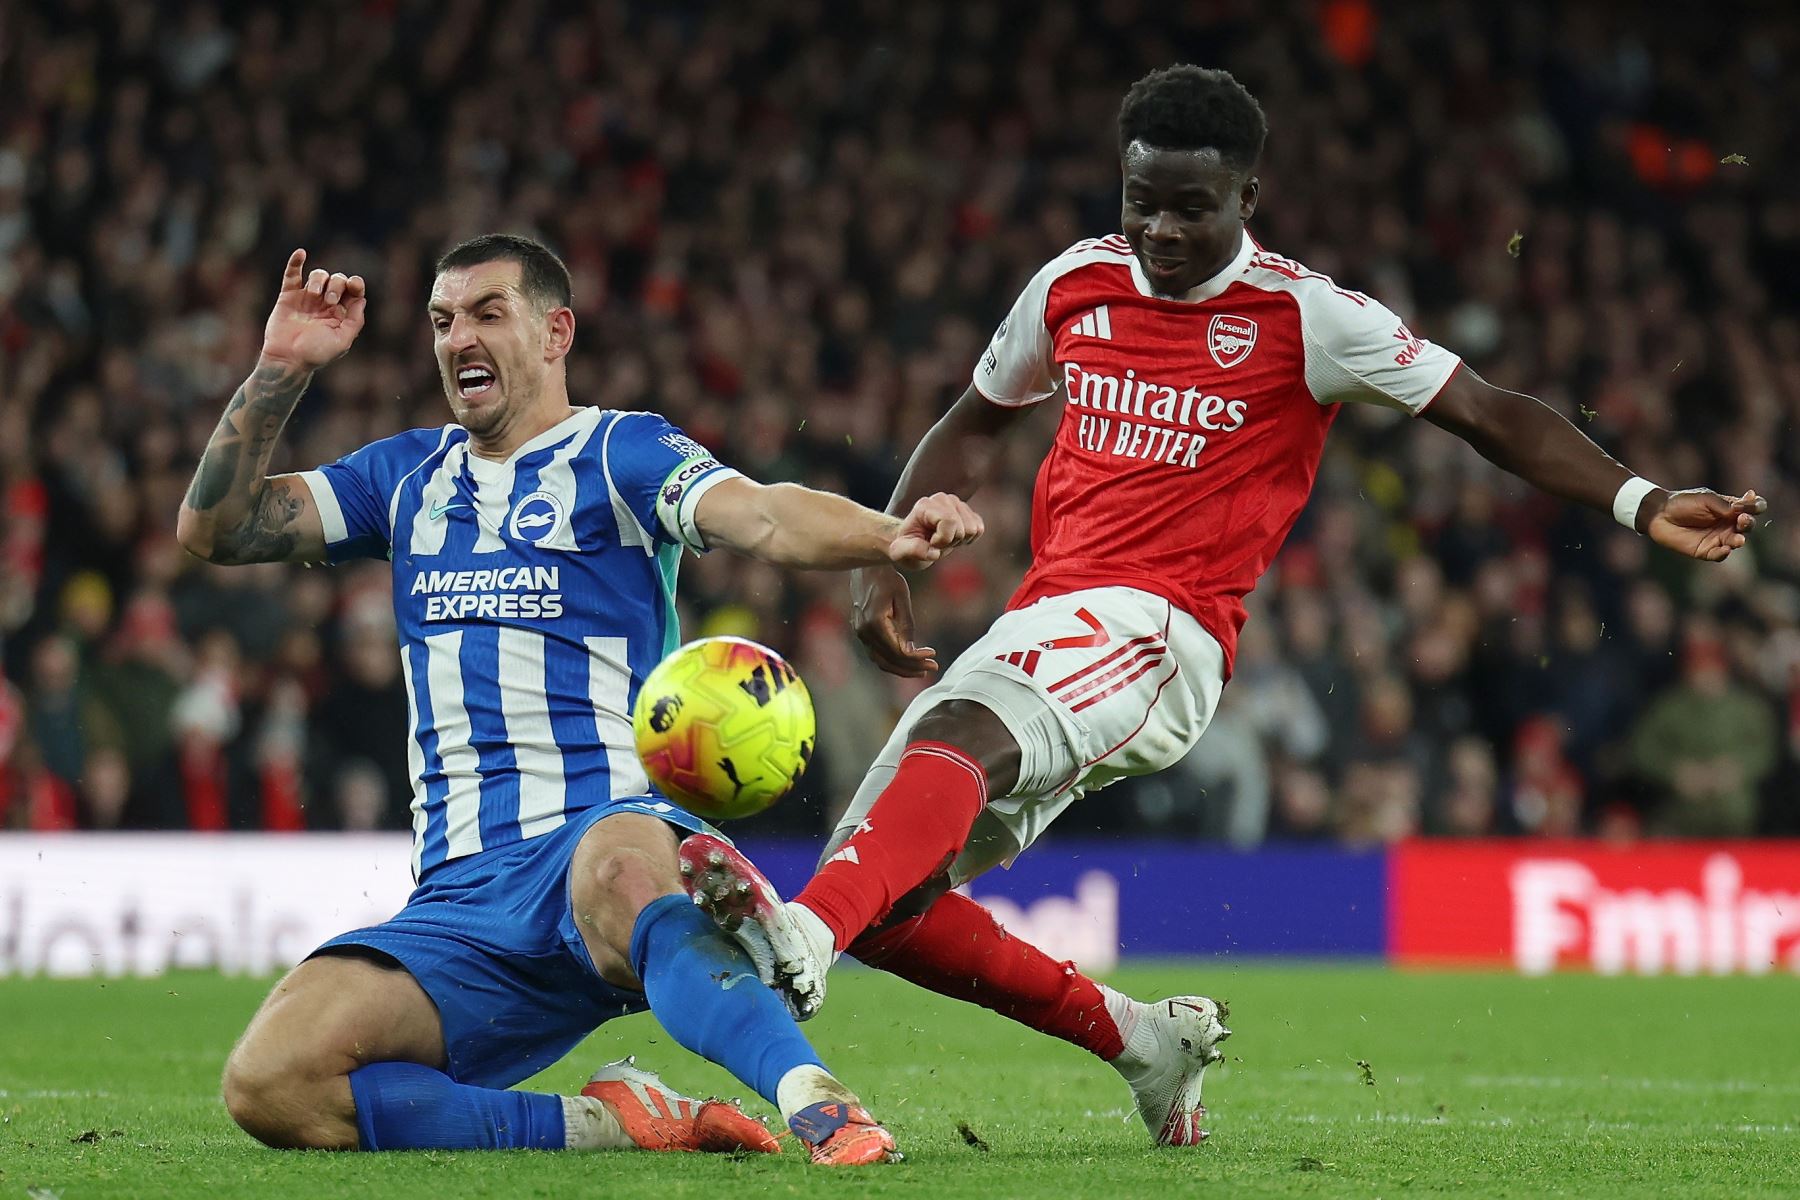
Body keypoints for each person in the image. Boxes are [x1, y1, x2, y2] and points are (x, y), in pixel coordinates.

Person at [677, 64, 1767, 1146]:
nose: (1158, 229)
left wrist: (1642, 498)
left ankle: (803, 940)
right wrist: (883, 560)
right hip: (1047, 620)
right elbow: (973, 418)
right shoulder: (1073, 283)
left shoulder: (1306, 315)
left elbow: (1486, 412)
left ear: (1246, 199)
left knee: (932, 776)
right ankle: (1145, 1043)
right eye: (1139, 200)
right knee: (894, 904)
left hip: (1163, 634)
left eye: (1190, 207)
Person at [175, 235, 984, 1165]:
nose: (456, 339)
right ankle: (617, 1122)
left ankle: (815, 1097)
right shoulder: (404, 478)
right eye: (441, 321)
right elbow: (216, 528)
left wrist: (891, 535)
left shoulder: (618, 454)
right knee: (272, 1085)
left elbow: (761, 512)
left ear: (556, 331)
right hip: (460, 896)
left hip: (602, 831)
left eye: (487, 312)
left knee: (618, 874)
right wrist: (280, 368)